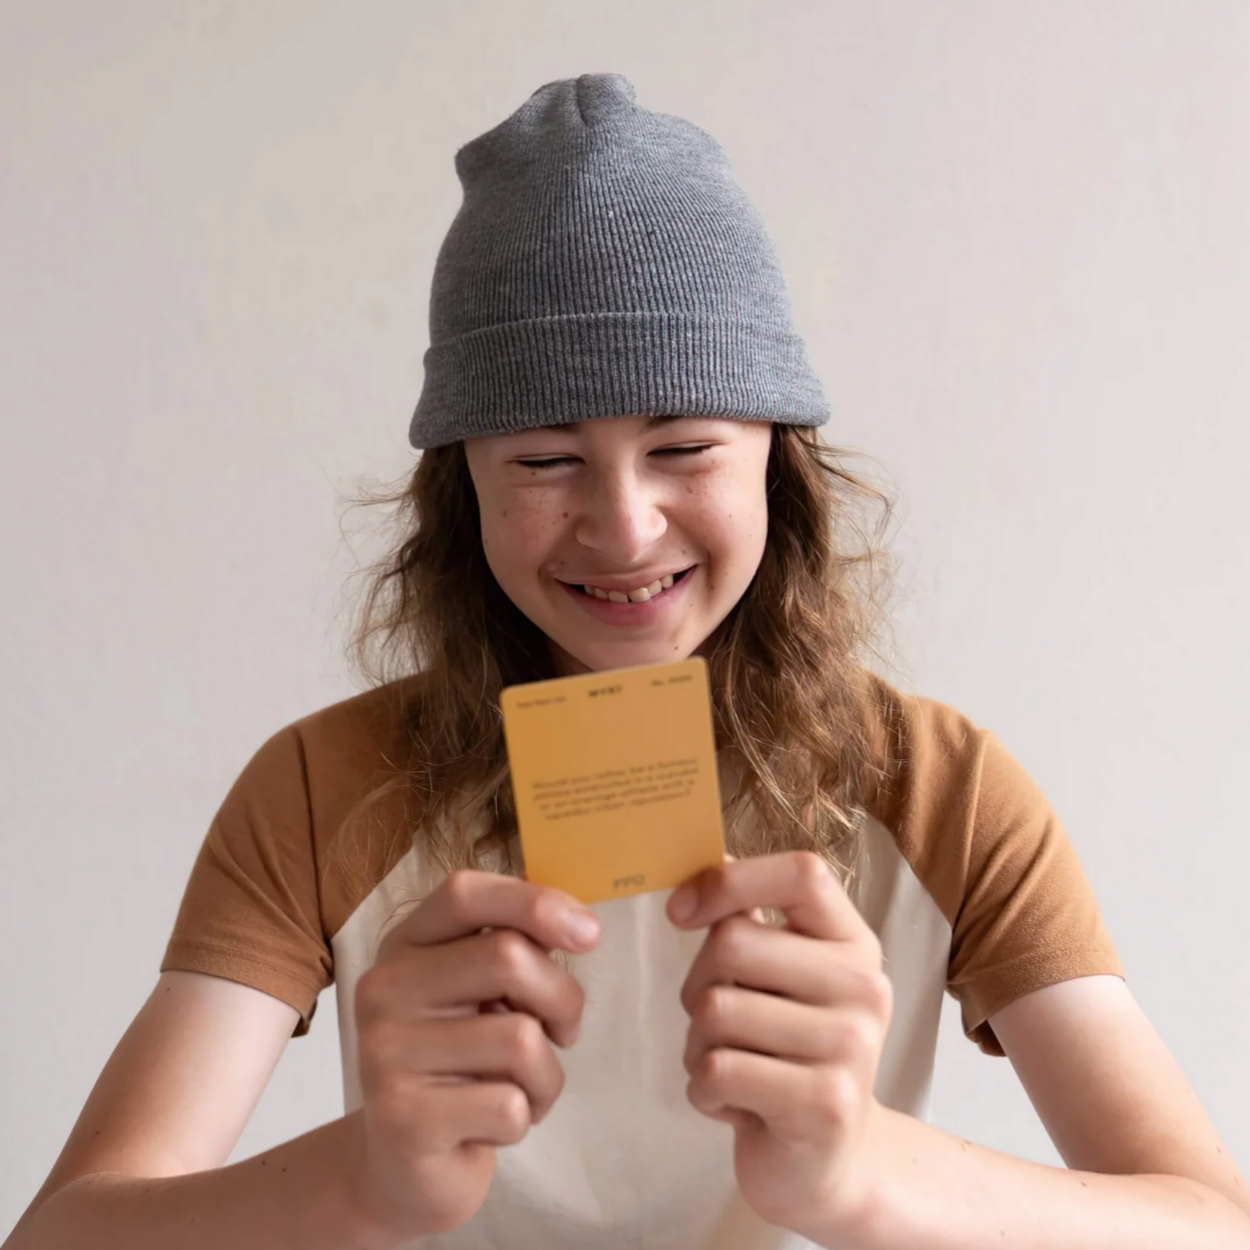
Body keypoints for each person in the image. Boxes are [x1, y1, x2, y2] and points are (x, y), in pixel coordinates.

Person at [7, 72, 1249, 1250]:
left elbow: (1212, 1223)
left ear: (777, 460)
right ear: (461, 488)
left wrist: (861, 1171)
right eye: (544, 460)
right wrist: (366, 1176)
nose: (622, 526)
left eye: (683, 446)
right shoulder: (324, 785)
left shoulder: (940, 790)